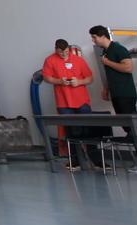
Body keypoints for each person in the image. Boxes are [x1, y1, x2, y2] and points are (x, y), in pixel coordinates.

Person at [42, 38, 102, 170]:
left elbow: (89, 77)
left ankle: (97, 160)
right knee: (71, 132)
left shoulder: (78, 60)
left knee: (89, 130)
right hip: (64, 103)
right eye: (61, 52)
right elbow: (46, 77)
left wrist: (79, 82)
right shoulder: (50, 60)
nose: (64, 54)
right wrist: (59, 81)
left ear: (69, 49)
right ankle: (75, 160)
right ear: (56, 49)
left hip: (82, 101)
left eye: (66, 52)